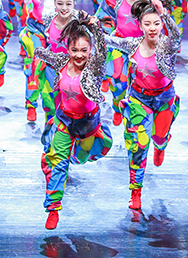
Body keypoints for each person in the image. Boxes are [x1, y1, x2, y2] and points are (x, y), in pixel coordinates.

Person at [36, 12, 113, 230]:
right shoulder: (61, 62)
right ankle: (53, 208)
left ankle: (67, 154)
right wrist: (38, 51)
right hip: (64, 121)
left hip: (87, 125)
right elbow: (42, 52)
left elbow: (103, 49)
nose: (79, 55)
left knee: (78, 159)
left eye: (84, 50)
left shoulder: (95, 67)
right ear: (68, 49)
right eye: (74, 50)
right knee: (59, 163)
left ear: (90, 50)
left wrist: (95, 27)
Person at [106, 0, 180, 210]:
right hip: (139, 100)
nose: (152, 28)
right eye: (147, 24)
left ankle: (161, 144)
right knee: (138, 144)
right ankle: (136, 190)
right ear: (140, 26)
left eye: (156, 23)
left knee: (158, 137)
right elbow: (108, 40)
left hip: (164, 99)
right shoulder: (132, 45)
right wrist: (89, 25)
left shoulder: (168, 45)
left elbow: (176, 35)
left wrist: (164, 13)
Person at [3, 0, 65, 122]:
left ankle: (52, 106)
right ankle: (31, 103)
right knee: (35, 64)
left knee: (53, 68)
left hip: (55, 32)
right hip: (35, 29)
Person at [92, 0, 154, 125]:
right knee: (118, 81)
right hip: (119, 43)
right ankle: (117, 105)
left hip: (140, 46)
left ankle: (135, 112)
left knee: (140, 82)